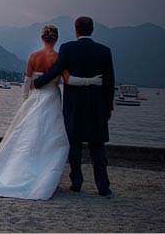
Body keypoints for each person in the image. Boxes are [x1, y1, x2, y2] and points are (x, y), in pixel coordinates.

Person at [0, 24, 101, 200]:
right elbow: (70, 80)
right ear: (56, 39)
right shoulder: (59, 58)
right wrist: (92, 80)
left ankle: (21, 171)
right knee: (49, 138)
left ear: (42, 38)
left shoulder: (33, 56)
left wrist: (26, 102)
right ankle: (43, 174)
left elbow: (26, 82)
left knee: (26, 136)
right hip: (52, 98)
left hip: (34, 98)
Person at [34, 16, 115, 197]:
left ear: (76, 30)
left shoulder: (68, 48)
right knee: (97, 145)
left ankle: (76, 183)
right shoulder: (104, 51)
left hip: (75, 106)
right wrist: (109, 106)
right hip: (97, 106)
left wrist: (38, 82)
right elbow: (110, 82)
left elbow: (56, 69)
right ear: (92, 30)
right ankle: (103, 186)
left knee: (75, 144)